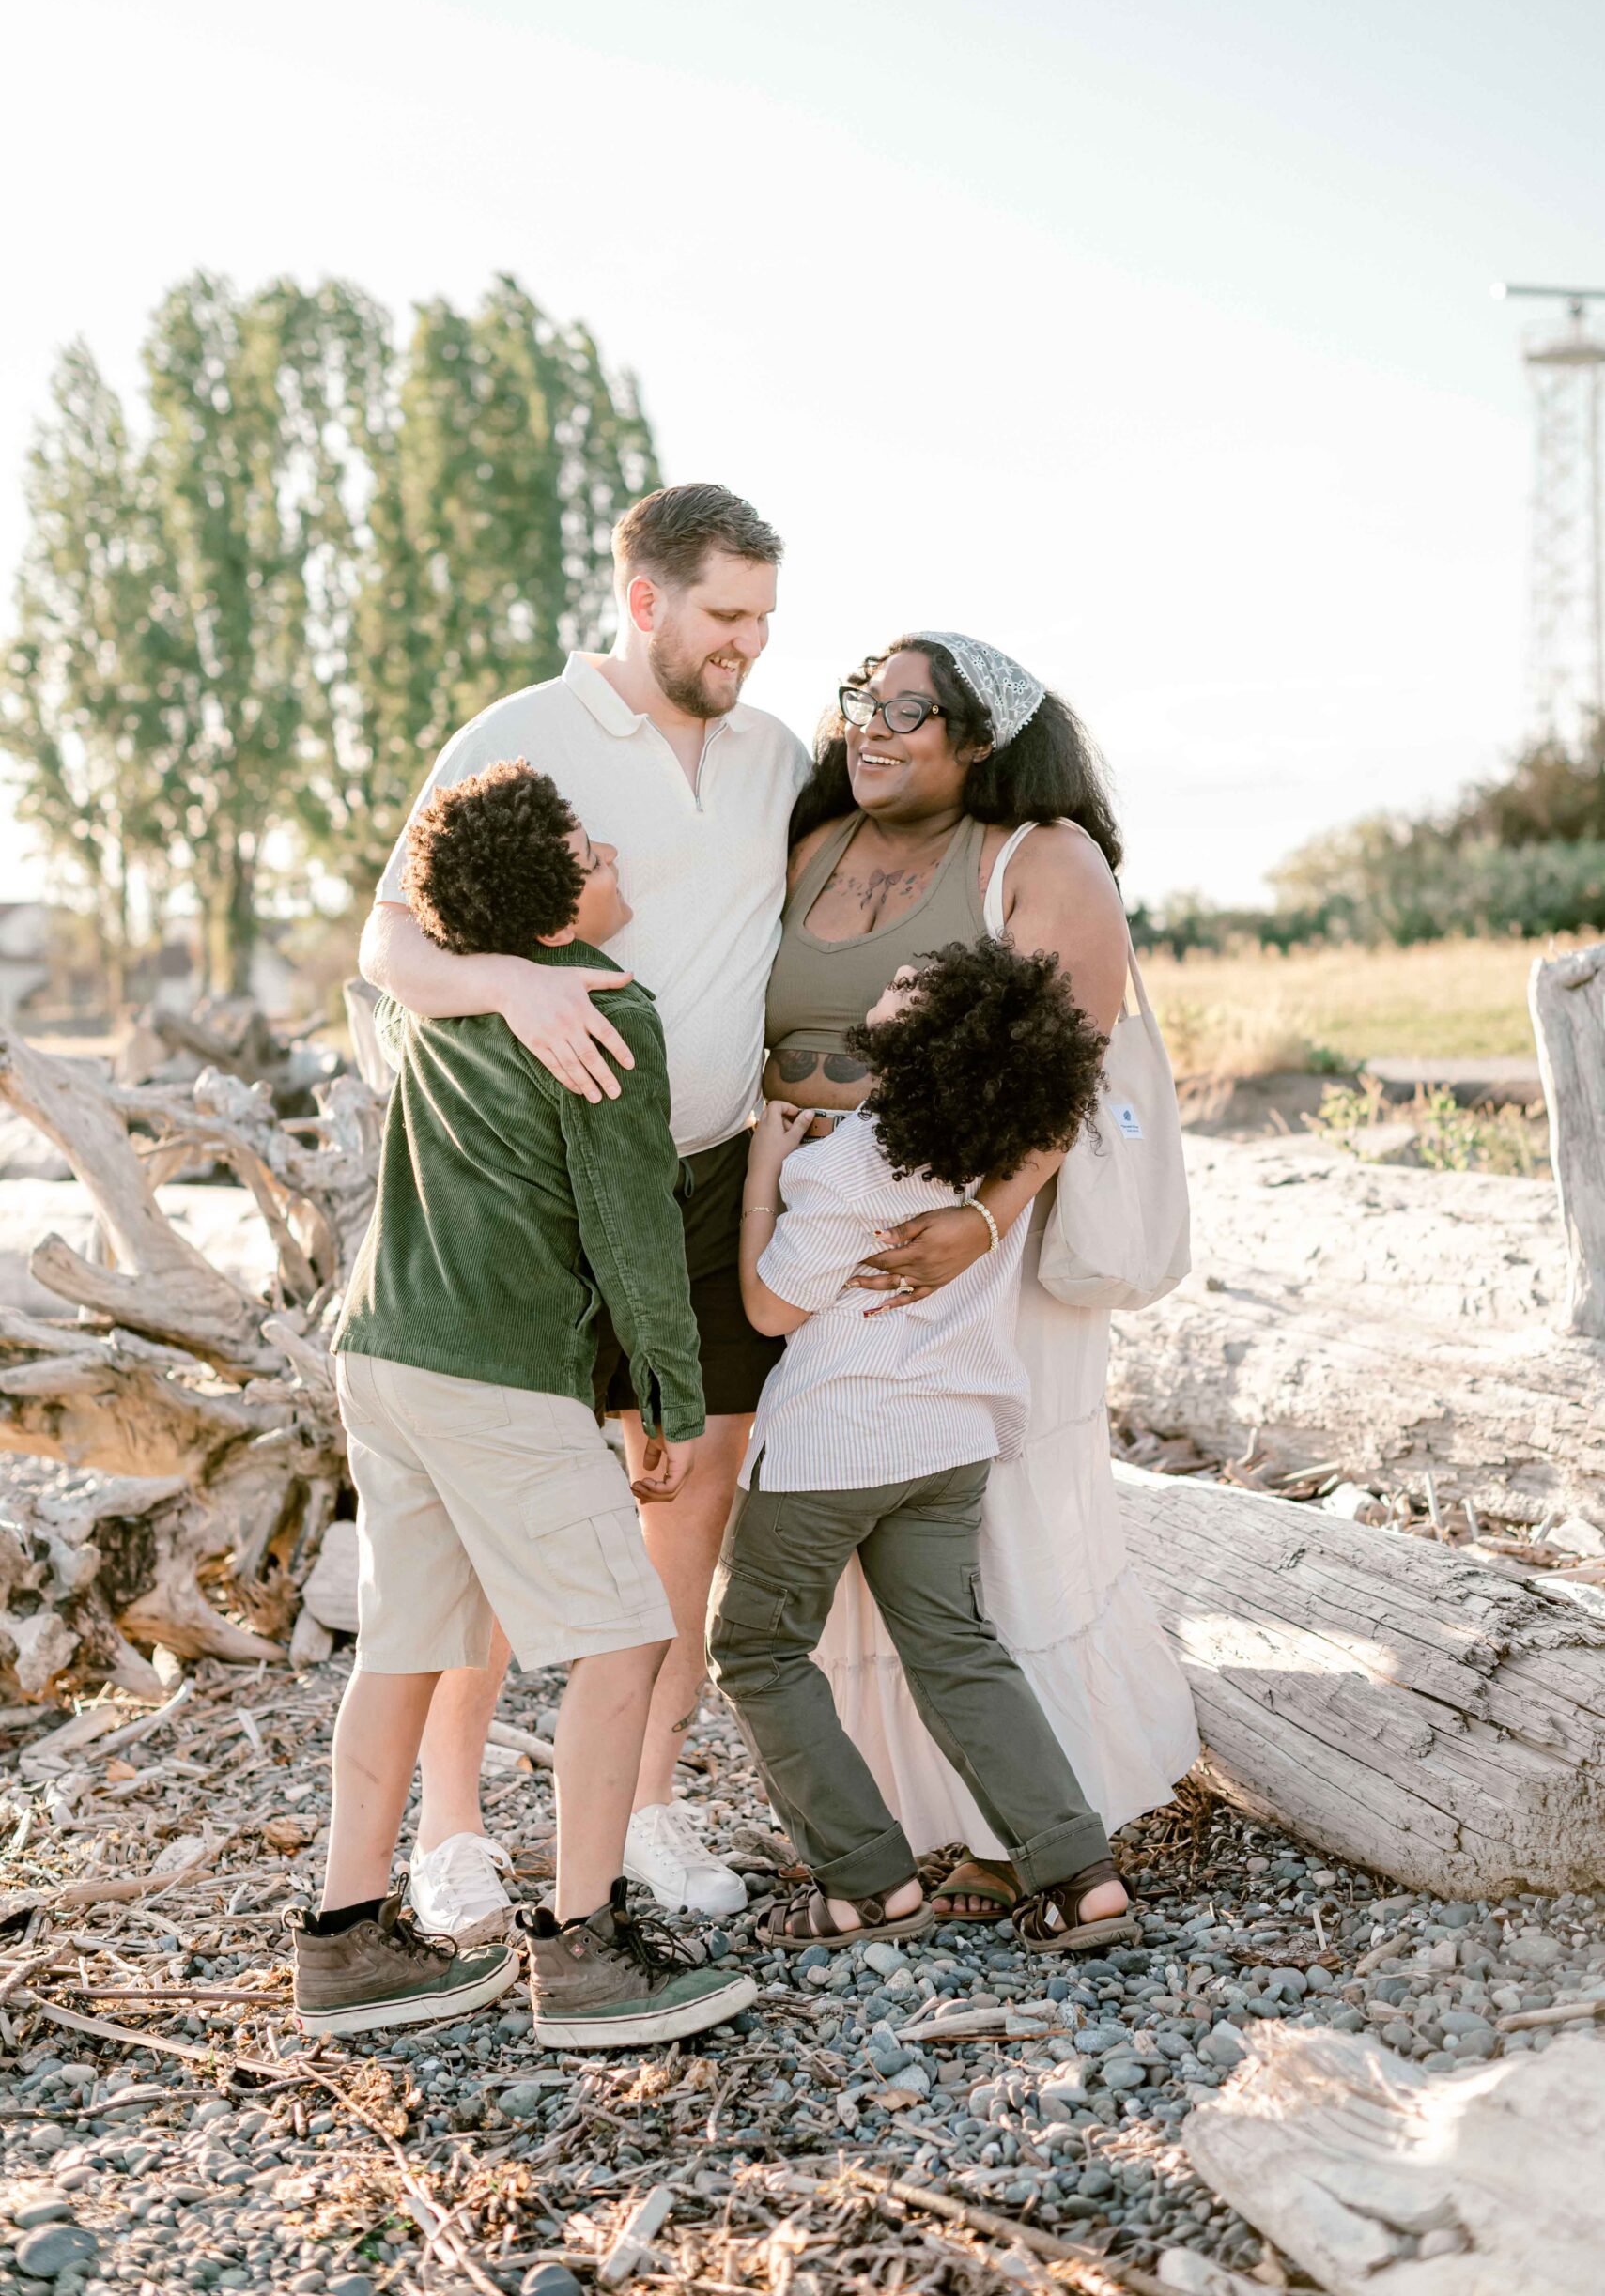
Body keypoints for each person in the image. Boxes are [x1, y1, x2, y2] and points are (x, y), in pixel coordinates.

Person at [357, 484, 810, 1934]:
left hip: (710, 1175)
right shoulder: (516, 736)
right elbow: (388, 939)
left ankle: (653, 1809)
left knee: (691, 1500)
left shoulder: (777, 756)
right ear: (645, 600)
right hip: (546, 1202)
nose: (747, 646)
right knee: (505, 1513)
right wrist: (509, 978)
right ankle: (454, 1831)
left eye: (763, 620)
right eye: (725, 617)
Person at [290, 758, 757, 2047]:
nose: (615, 861)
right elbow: (632, 1228)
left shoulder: (433, 1010)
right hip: (495, 1367)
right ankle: (591, 1954)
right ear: (552, 898)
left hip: (381, 1352)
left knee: (407, 1639)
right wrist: (666, 1392)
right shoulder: (606, 1009)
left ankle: (345, 1945)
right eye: (591, 850)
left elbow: (394, 970)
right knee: (621, 1640)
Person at [763, 631, 1197, 1922]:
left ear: (979, 741)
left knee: (1000, 1528)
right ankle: (912, 1816)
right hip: (828, 1232)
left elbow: (1068, 1063)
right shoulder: (813, 848)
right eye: (862, 702)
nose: (872, 728)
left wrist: (986, 1220)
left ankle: (1047, 1823)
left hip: (979, 1252)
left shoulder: (1042, 859)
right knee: (854, 1542)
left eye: (912, 711)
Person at [709, 940, 1134, 1952]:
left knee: (757, 1648)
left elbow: (770, 1309)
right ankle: (1077, 1872)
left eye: (905, 986)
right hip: (947, 1442)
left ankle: (866, 1883)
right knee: (954, 1647)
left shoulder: (848, 1164)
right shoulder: (994, 1154)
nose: (886, 985)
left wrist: (765, 1176)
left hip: (830, 1450)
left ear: (928, 1042)